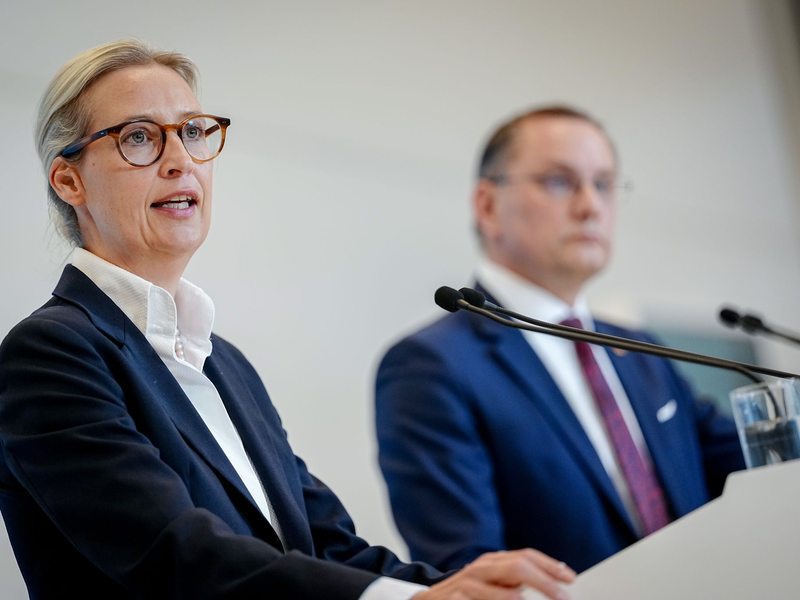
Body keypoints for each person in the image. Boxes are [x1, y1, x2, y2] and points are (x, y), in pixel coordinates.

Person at [0, 42, 576, 600]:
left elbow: (326, 546)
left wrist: (467, 591)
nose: (179, 161)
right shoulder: (49, 353)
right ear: (69, 181)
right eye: (139, 138)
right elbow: (172, 554)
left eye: (194, 132)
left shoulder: (224, 361)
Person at [375, 106, 746, 574]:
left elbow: (751, 467)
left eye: (605, 184)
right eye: (559, 181)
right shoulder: (431, 366)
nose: (591, 206)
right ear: (488, 206)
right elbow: (470, 571)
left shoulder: (641, 352)